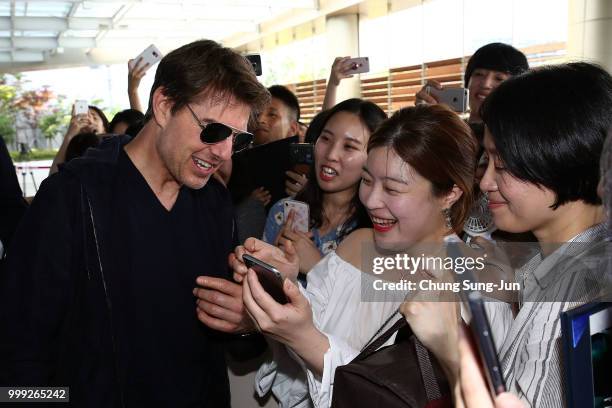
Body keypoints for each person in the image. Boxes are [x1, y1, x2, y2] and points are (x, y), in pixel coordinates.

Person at [0, 39, 269, 407]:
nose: (222, 152)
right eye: (213, 130)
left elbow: (233, 344)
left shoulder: (214, 204)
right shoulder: (73, 197)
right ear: (163, 105)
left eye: (237, 139)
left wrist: (247, 320)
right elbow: (18, 349)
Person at [195, 104, 478, 407]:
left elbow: (396, 393)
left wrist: (304, 337)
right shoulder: (357, 245)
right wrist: (276, 293)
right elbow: (305, 340)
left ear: (450, 193)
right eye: (367, 180)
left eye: (393, 189)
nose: (371, 199)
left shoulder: (470, 282)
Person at [406, 62, 612, 408]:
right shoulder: (574, 263)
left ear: (557, 157)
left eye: (501, 164)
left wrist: (454, 350)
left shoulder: (564, 308)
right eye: (485, 160)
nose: (485, 182)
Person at [263, 98, 385, 275]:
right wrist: (272, 266)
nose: (331, 154)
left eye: (349, 146)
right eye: (326, 139)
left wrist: (317, 267)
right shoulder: (284, 212)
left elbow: (374, 302)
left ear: (374, 157)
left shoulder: (380, 232)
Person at [49, 104, 109, 175]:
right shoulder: (75, 150)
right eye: (83, 120)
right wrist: (70, 135)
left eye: (94, 117)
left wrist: (94, 134)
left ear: (104, 126)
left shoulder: (115, 145)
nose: (89, 122)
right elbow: (53, 178)